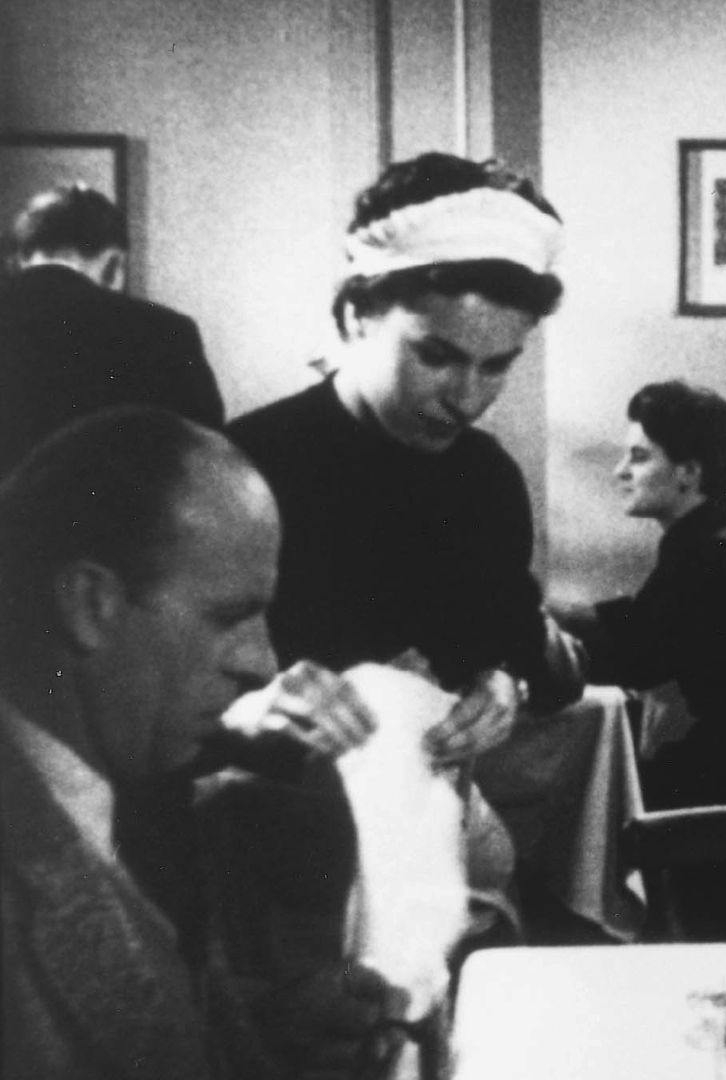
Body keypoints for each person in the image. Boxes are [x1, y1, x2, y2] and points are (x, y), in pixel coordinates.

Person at [0, 407, 401, 1078]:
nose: (265, 664)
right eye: (229, 616)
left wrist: (273, 1025)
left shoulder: (117, 788)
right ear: (90, 604)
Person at [228, 151, 582, 765]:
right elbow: (140, 712)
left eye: (497, 365)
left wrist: (503, 683)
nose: (468, 399)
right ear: (355, 317)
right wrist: (258, 713)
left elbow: (536, 658)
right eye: (436, 357)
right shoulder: (242, 470)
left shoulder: (487, 480)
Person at [569, 380, 726, 809]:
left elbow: (634, 659)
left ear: (688, 472)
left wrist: (533, 621)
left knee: (583, 794)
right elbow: (643, 626)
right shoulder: (715, 537)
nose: (620, 471)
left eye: (638, 457)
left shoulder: (714, 552)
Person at [0, 183, 224, 477]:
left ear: (20, 257)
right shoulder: (165, 331)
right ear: (113, 262)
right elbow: (206, 451)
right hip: (117, 517)